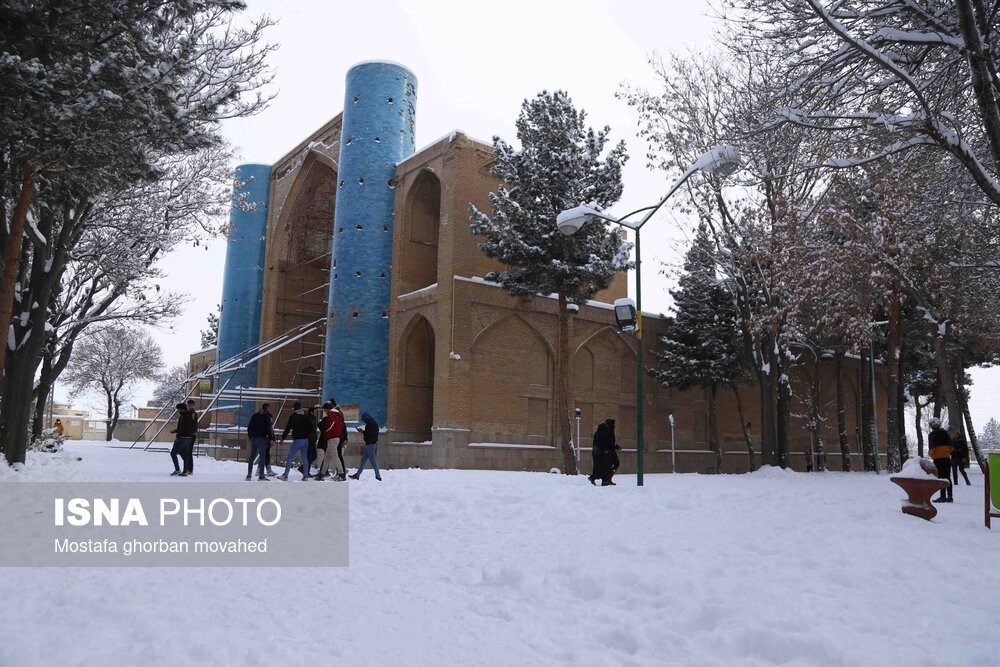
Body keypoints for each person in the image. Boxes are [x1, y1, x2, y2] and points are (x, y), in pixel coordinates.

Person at [278, 401, 313, 481]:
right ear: (300, 407)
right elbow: (311, 427)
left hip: (297, 440)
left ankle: (285, 475)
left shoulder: (293, 416)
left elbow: (288, 428)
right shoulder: (306, 416)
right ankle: (305, 475)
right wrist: (308, 435)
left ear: (294, 408)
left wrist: (283, 438)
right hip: (305, 440)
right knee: (305, 458)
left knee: (290, 457)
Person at [316, 399, 347, 481]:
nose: (325, 411)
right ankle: (321, 474)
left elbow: (329, 426)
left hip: (332, 438)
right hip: (335, 438)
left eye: (325, 410)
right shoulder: (337, 415)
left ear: (328, 409)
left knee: (334, 456)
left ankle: (342, 474)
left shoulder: (331, 414)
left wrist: (326, 433)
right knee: (327, 457)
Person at [245, 403, 275, 481]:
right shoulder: (267, 416)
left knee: (252, 457)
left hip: (254, 439)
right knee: (262, 457)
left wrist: (250, 436)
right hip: (262, 439)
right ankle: (261, 476)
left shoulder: (255, 415)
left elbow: (249, 427)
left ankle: (249, 475)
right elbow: (269, 428)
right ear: (267, 408)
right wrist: (271, 439)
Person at [928, 418, 954, 502]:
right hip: (946, 458)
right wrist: (946, 452)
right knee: (947, 477)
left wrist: (931, 455)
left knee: (941, 478)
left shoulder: (932, 435)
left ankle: (942, 497)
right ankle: (949, 496)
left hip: (938, 459)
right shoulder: (945, 433)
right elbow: (951, 446)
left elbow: (932, 448)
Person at [349, 411, 381, 481]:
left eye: (364, 419)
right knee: (363, 460)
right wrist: (362, 431)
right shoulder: (372, 423)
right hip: (370, 444)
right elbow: (370, 433)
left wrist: (365, 435)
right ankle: (357, 475)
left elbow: (369, 434)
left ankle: (378, 476)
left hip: (370, 444)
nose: (364, 421)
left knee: (373, 461)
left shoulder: (370, 424)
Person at [168, 403, 197, 477]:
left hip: (182, 438)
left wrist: (178, 436)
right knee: (183, 454)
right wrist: (175, 431)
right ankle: (185, 471)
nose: (177, 411)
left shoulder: (183, 416)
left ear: (181, 409)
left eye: (178, 409)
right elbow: (188, 427)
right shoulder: (190, 415)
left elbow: (182, 428)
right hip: (189, 438)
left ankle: (178, 470)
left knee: (173, 453)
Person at [185, 399, 199, 475]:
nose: (189, 406)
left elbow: (193, 425)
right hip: (188, 435)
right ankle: (187, 468)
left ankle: (189, 469)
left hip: (191, 435)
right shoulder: (187, 413)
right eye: (188, 405)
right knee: (186, 452)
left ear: (193, 405)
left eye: (191, 405)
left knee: (188, 452)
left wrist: (191, 433)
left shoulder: (193, 414)